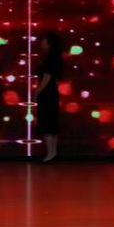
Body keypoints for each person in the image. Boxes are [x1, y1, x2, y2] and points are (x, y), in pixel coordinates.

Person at [35, 30, 64, 163]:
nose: (42, 43)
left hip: (47, 93)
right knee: (52, 122)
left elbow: (46, 78)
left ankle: (51, 153)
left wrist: (38, 92)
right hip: (53, 92)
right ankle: (52, 152)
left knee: (47, 122)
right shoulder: (57, 58)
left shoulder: (49, 59)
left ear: (49, 44)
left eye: (44, 41)